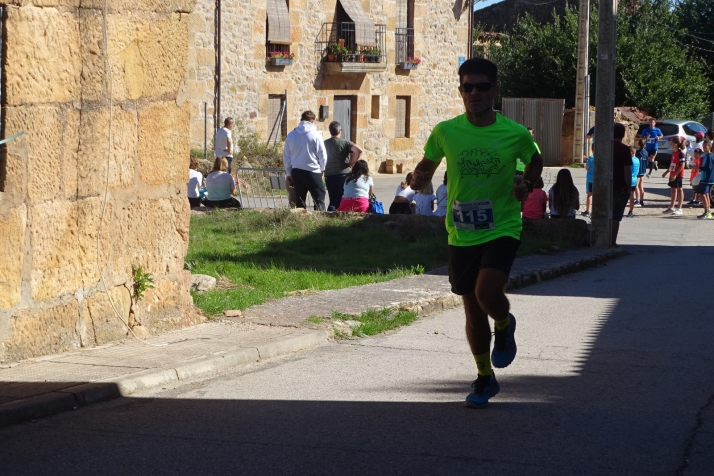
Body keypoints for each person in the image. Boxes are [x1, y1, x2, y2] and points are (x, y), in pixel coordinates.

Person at [409, 57, 544, 409]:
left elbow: (535, 159)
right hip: (461, 230)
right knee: (471, 308)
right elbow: (427, 164)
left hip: (502, 225)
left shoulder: (513, 133)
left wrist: (526, 183)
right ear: (460, 92)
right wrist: (418, 177)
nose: (474, 93)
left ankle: (504, 321)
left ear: (495, 91)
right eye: (467, 87)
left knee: (487, 291)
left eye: (482, 87)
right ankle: (485, 377)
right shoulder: (446, 131)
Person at [283, 110, 328, 211]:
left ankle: (300, 222)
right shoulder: (316, 135)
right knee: (319, 198)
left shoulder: (291, 135)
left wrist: (289, 172)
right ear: (312, 121)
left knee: (300, 200)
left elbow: (286, 156)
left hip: (297, 171)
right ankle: (320, 222)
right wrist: (322, 169)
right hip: (313, 171)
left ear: (301, 120)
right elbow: (322, 155)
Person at [324, 121, 363, 211]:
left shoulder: (325, 143)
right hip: (343, 174)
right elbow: (359, 150)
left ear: (330, 131)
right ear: (340, 131)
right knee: (341, 197)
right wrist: (353, 162)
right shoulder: (345, 143)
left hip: (329, 174)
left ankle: (330, 213)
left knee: (332, 198)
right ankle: (338, 214)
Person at [611, 123, 633, 247]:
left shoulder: (604, 147)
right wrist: (628, 187)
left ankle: (601, 239)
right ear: (623, 134)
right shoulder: (624, 149)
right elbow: (627, 170)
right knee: (616, 215)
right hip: (619, 186)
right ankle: (612, 242)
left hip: (604, 185)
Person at [661, 137, 686, 215]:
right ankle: (671, 207)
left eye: (671, 143)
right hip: (672, 174)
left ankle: (680, 208)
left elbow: (682, 166)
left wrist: (675, 174)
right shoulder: (673, 153)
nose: (670, 144)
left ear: (676, 144)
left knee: (679, 190)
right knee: (673, 190)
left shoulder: (680, 153)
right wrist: (667, 172)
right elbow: (672, 165)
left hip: (678, 175)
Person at [696, 141, 714, 219]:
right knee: (706, 194)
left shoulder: (710, 156)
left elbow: (708, 168)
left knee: (702, 194)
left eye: (705, 146)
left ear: (710, 147)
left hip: (707, 178)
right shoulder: (706, 156)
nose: (704, 148)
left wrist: (699, 168)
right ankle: (707, 211)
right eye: (703, 146)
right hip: (705, 177)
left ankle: (707, 212)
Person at [626, 147, 640, 217]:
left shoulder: (630, 160)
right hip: (635, 178)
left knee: (627, 195)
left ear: (632, 152)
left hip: (629, 179)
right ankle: (631, 211)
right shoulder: (637, 159)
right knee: (632, 195)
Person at [634, 140, 648, 207]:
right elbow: (647, 162)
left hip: (638, 171)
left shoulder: (637, 152)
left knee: (636, 186)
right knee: (641, 186)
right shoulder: (646, 152)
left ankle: (637, 200)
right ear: (645, 145)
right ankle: (642, 200)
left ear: (639, 145)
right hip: (643, 170)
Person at [582, 145, 594, 217]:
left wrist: (587, 160)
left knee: (590, 194)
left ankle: (587, 210)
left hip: (590, 179)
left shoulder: (591, 158)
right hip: (597, 179)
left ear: (592, 150)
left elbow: (587, 167)